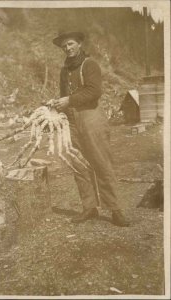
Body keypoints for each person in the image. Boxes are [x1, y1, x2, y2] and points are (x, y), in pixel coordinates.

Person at [52, 30, 129, 226]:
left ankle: (115, 209)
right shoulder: (64, 70)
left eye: (70, 44)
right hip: (72, 121)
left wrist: (69, 100)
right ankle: (89, 207)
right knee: (78, 164)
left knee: (102, 163)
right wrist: (59, 107)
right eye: (64, 46)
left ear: (78, 43)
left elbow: (94, 91)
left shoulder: (90, 64)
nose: (67, 48)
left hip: (91, 117)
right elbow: (64, 95)